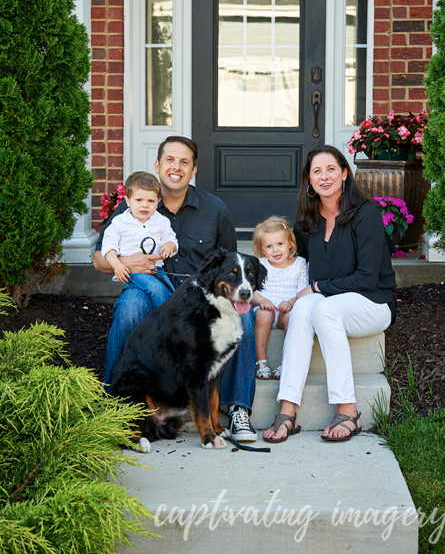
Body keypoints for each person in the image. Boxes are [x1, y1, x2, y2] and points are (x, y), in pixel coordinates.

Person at [93, 136, 258, 441]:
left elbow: (233, 269)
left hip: (199, 300)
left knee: (245, 317)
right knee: (130, 307)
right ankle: (113, 408)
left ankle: (238, 410)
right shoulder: (134, 204)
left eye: (184, 162)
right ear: (157, 165)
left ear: (193, 170)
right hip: (149, 288)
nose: (176, 167)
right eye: (170, 160)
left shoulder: (215, 209)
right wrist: (127, 261)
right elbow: (99, 260)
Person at [263, 145, 396, 444]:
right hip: (330, 304)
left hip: (373, 302)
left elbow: (366, 278)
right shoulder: (308, 221)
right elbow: (293, 263)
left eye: (331, 169)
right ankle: (288, 410)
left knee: (320, 307)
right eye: (316, 172)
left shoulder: (366, 215)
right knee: (301, 309)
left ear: (345, 173)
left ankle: (348, 410)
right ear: (309, 180)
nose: (324, 177)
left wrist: (317, 288)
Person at [101, 171, 178, 303]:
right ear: (128, 201)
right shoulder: (119, 223)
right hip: (131, 272)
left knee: (170, 294)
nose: (145, 205)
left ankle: (161, 319)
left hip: (156, 270)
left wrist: (170, 244)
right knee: (157, 290)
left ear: (158, 202)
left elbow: (171, 238)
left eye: (150, 201)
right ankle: (163, 321)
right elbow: (108, 248)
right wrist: (117, 265)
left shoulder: (162, 221)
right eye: (139, 200)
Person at [250, 216, 308, 380]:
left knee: (293, 317)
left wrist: (291, 302)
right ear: (261, 248)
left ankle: (286, 362)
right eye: (269, 246)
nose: (275, 250)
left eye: (280, 244)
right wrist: (261, 301)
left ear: (290, 243)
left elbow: (303, 290)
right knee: (262, 314)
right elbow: (251, 291)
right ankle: (261, 361)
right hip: (266, 309)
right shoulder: (260, 264)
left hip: (286, 311)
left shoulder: (300, 263)